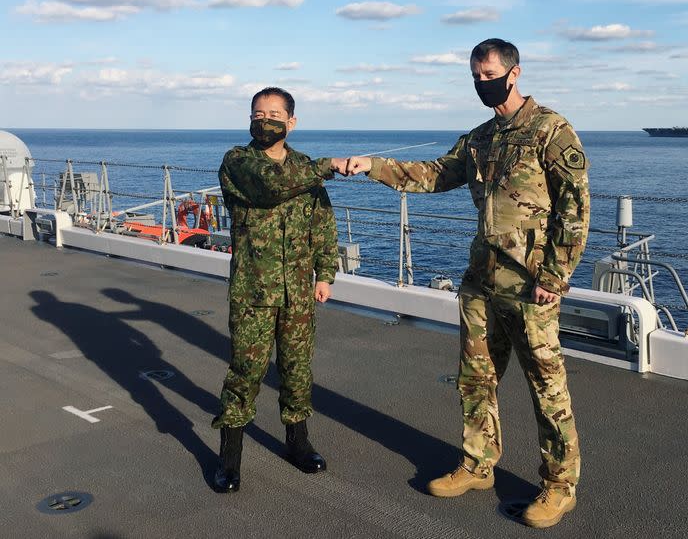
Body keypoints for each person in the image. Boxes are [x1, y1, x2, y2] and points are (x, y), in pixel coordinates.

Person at [345, 38, 590, 528]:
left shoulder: (550, 130)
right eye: (475, 76)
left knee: (546, 387)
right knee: (476, 379)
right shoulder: (480, 137)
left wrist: (556, 276)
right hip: (481, 280)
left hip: (529, 284)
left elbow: (575, 206)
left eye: (489, 74)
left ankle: (560, 487)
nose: (482, 83)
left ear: (515, 73)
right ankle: (478, 464)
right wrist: (371, 166)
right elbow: (434, 174)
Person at [212, 87, 348, 492]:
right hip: (253, 291)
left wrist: (325, 273)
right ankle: (229, 459)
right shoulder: (238, 162)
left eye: (273, 114)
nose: (264, 120)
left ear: (291, 121)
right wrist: (331, 165)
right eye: (257, 114)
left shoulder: (305, 167)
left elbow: (322, 224)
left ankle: (298, 443)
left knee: (296, 369)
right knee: (246, 372)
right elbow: (270, 185)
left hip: (297, 293)